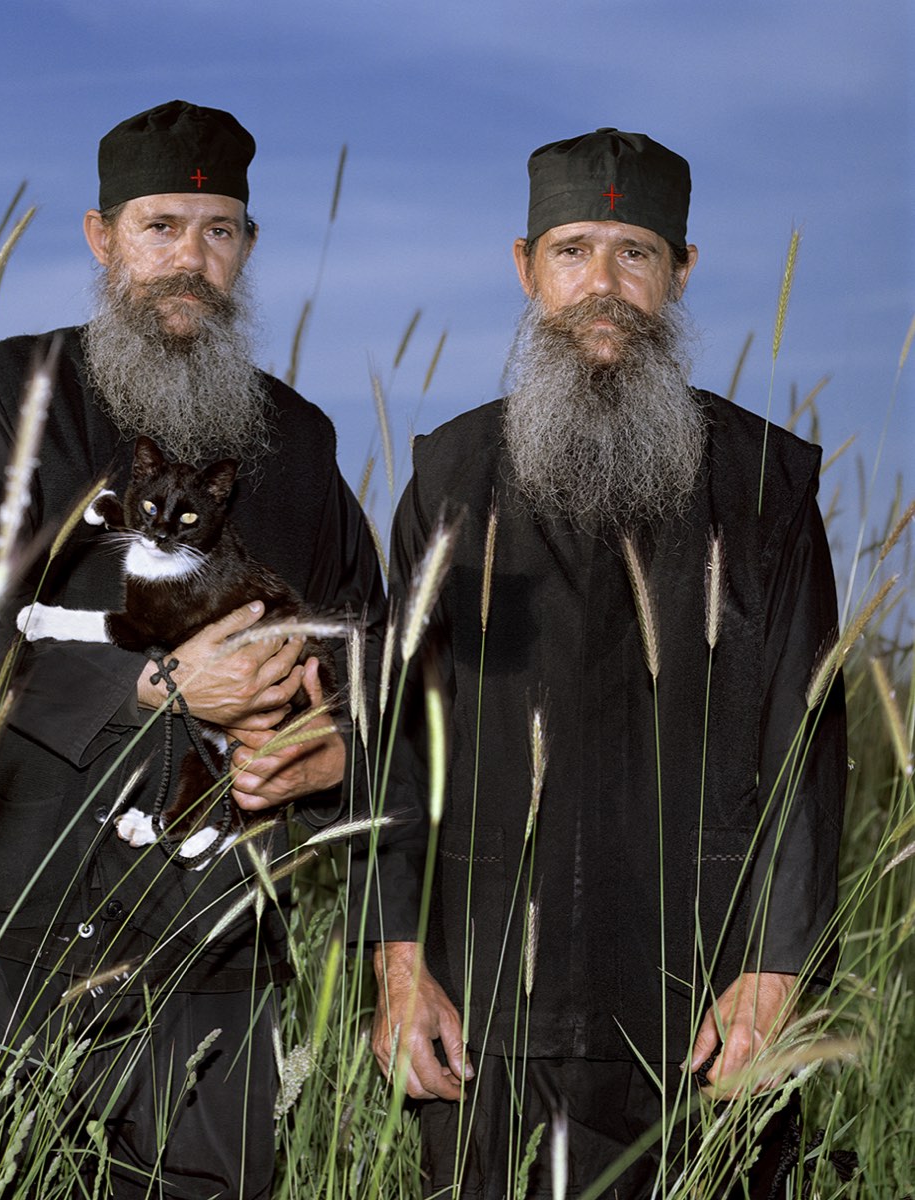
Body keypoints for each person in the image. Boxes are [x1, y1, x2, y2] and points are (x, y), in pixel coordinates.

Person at [0, 99, 384, 1199]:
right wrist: (160, 684)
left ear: (247, 248)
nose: (191, 259)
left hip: (211, 960)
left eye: (220, 230)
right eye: (161, 227)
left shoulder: (304, 445)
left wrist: (339, 756)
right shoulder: (13, 397)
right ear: (102, 238)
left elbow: (372, 659)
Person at [368, 128, 845, 1197]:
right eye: (574, 250)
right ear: (526, 267)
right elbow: (392, 745)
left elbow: (808, 740)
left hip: (700, 1014)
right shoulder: (449, 481)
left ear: (679, 274)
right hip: (490, 1006)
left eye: (634, 253)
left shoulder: (766, 489)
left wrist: (775, 970)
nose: (603, 286)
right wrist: (399, 966)